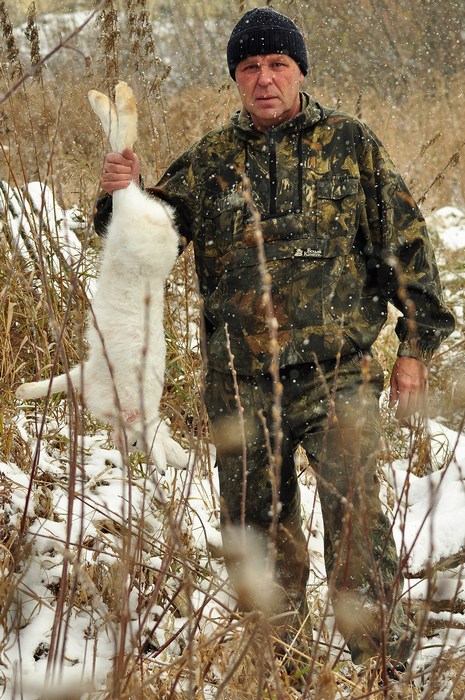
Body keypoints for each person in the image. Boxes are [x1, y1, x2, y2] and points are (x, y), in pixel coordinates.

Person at [94, 7, 454, 673]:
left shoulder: (350, 144)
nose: (264, 79)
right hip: (239, 383)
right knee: (257, 533)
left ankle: (383, 667)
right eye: (249, 68)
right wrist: (124, 196)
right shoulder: (209, 160)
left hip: (337, 373)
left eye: (276, 65)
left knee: (356, 524)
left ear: (298, 72)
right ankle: (282, 669)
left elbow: (406, 247)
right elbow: (147, 245)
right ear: (236, 78)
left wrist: (413, 347)